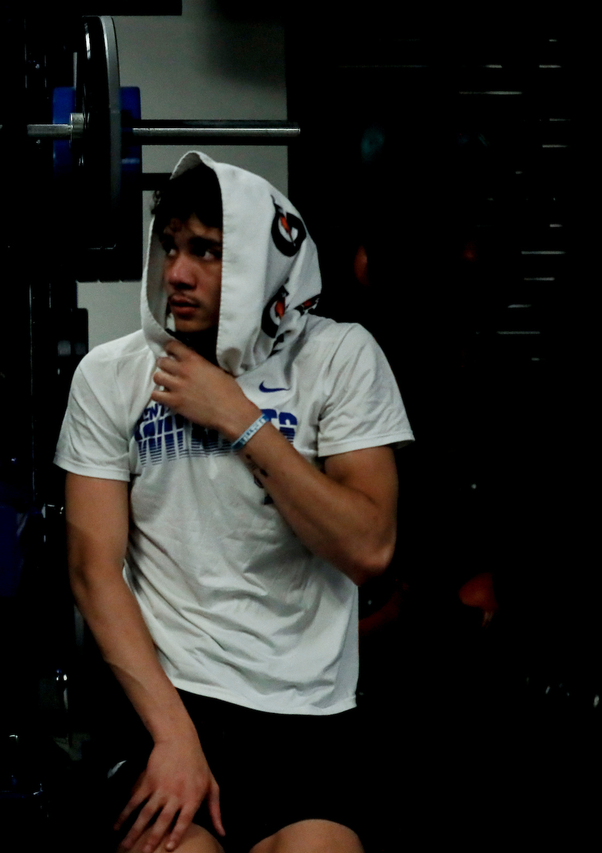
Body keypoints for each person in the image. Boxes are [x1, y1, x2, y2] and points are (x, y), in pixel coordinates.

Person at [55, 153, 413, 853]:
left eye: (207, 252)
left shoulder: (340, 356)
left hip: (309, 708)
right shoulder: (112, 374)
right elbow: (92, 571)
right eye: (170, 246)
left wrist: (242, 420)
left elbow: (369, 547)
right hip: (168, 696)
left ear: (261, 263)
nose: (177, 273)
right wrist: (173, 736)